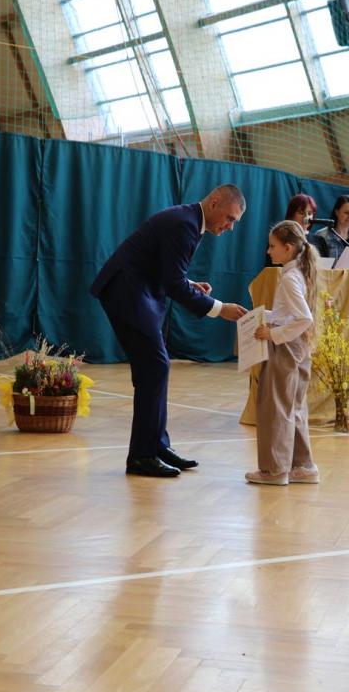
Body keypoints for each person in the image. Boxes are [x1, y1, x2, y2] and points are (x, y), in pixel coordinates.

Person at [91, 184, 247, 478]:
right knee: (155, 367)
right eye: (230, 218)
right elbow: (172, 284)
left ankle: (156, 446)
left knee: (156, 368)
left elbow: (169, 272)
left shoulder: (189, 220)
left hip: (135, 291)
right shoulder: (185, 224)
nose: (230, 227)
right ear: (214, 203)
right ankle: (142, 456)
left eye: (234, 222)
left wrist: (189, 284)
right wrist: (219, 308)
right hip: (127, 292)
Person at [246, 220, 320, 486]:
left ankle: (275, 470)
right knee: (294, 406)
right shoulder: (298, 273)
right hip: (298, 347)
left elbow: (304, 318)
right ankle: (303, 466)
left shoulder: (289, 278)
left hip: (286, 347)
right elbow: (285, 314)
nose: (269, 251)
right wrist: (258, 316)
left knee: (275, 407)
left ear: (288, 248)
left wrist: (273, 334)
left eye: (272, 246)